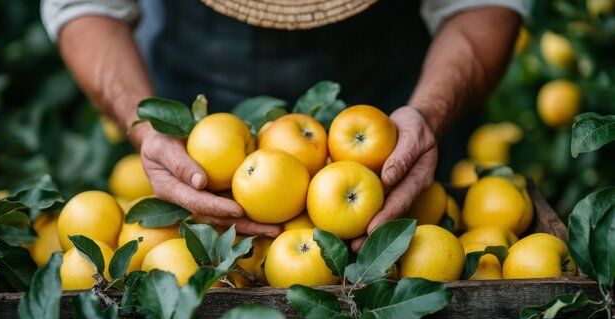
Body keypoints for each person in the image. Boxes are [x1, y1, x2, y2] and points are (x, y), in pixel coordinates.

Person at [41, 0, 527, 251]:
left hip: (396, 127)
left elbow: (481, 6)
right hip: (199, 122)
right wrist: (146, 127)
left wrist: (429, 114)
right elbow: (87, 8)